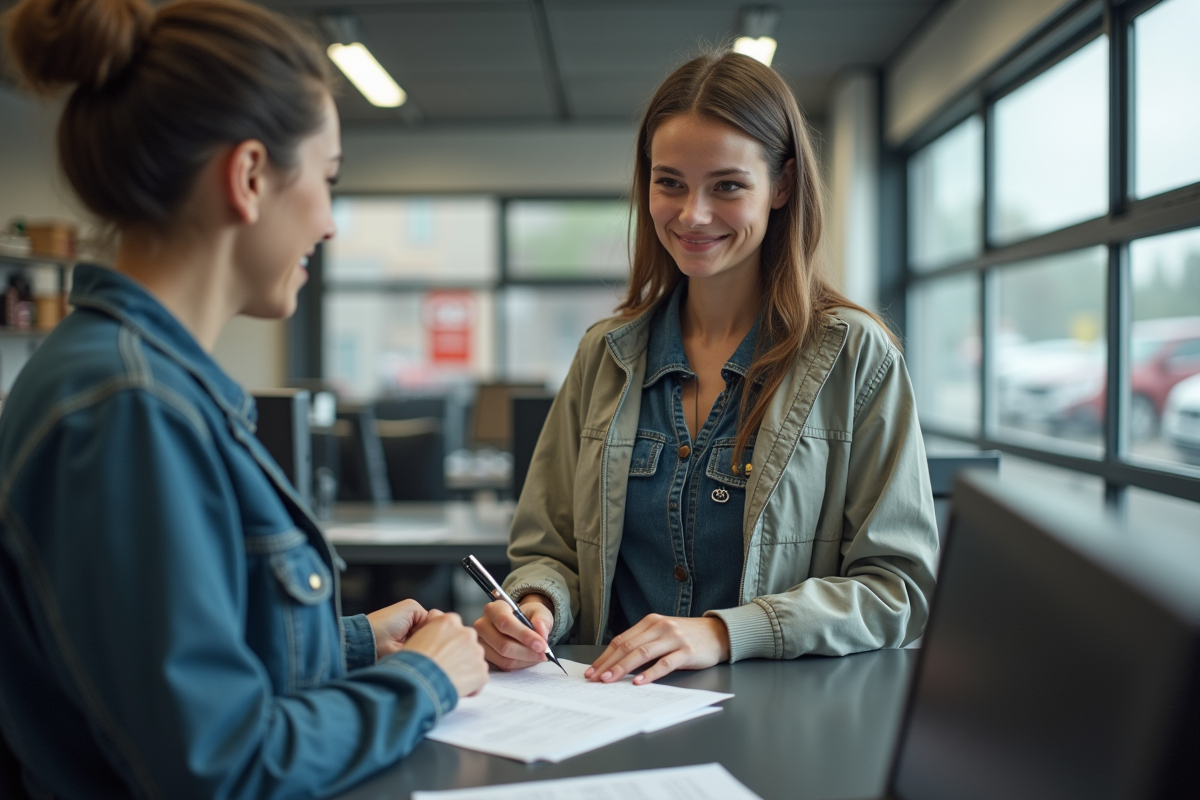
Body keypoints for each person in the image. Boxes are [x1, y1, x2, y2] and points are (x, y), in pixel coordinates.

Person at [0, 0, 488, 797]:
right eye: (327, 182)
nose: (329, 224)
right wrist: (424, 683)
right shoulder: (127, 408)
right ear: (250, 176)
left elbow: (178, 657)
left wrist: (361, 643)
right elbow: (219, 763)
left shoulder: (146, 381)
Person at [475, 50, 939, 685]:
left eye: (727, 185)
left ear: (781, 186)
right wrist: (536, 605)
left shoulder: (854, 355)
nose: (693, 214)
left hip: (777, 722)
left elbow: (899, 589)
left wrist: (726, 632)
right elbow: (548, 551)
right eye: (670, 183)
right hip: (607, 713)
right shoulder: (604, 354)